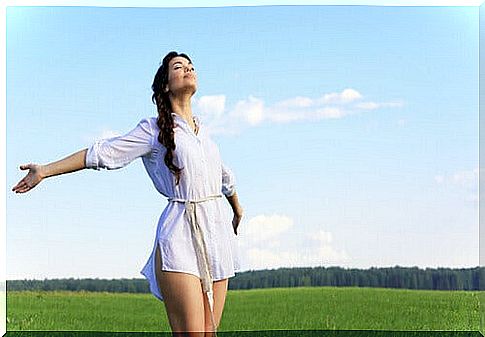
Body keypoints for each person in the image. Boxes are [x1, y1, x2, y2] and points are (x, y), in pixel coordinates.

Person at [11, 51, 244, 337]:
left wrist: (237, 208)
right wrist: (45, 170)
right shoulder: (153, 130)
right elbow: (103, 153)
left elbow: (223, 176)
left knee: (210, 333)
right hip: (181, 234)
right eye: (178, 67)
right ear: (166, 86)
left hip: (217, 235)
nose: (188, 69)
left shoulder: (203, 132)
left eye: (190, 65)